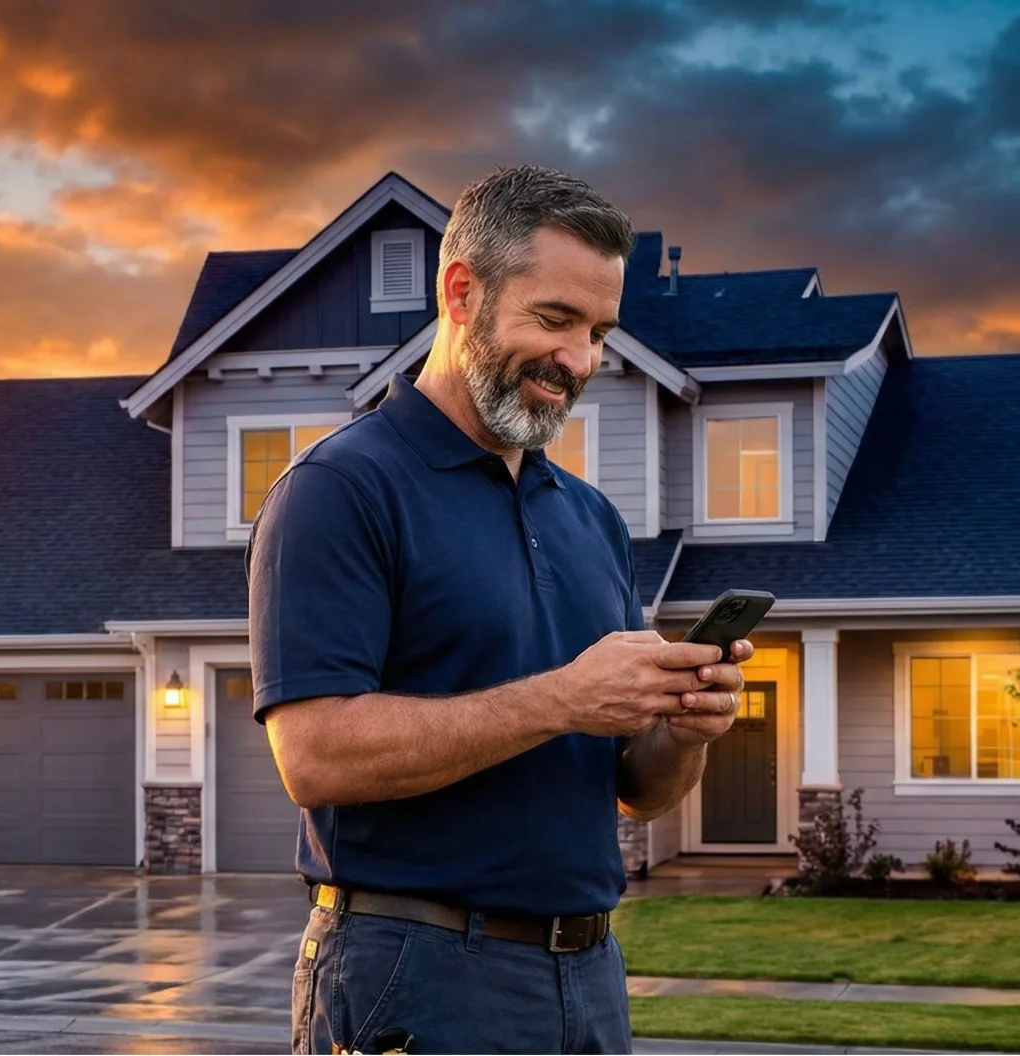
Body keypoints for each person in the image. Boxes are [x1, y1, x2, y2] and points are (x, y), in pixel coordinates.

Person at [248, 164, 752, 1055]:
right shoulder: (341, 489)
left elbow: (636, 789)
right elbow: (314, 755)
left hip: (587, 974)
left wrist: (685, 730)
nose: (581, 361)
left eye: (600, 332)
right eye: (555, 320)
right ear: (462, 291)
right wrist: (563, 698)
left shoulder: (590, 518)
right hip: (414, 968)